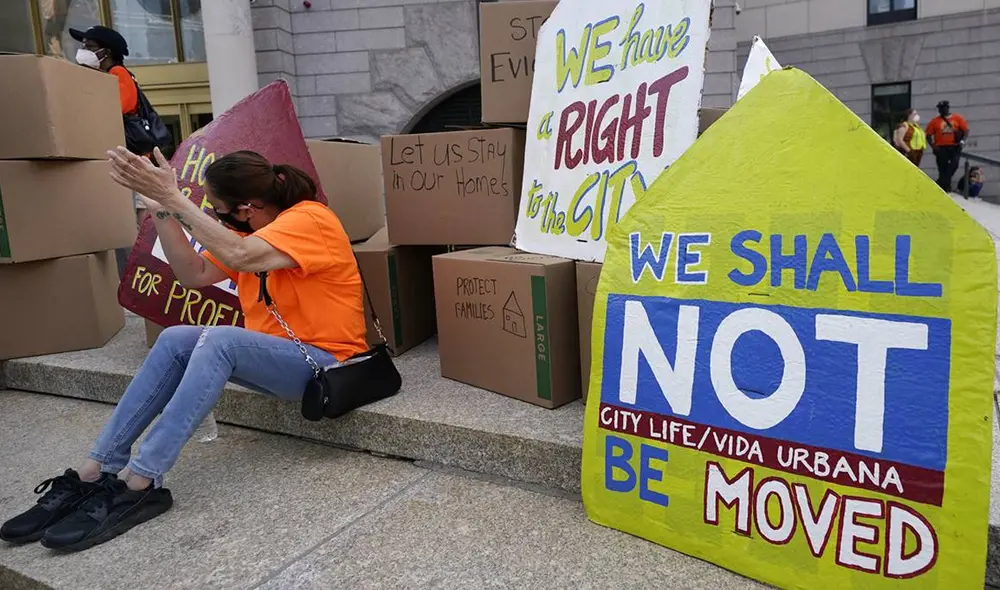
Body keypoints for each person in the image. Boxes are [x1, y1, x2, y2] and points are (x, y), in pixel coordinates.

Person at [0, 147, 368, 552]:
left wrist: (177, 199)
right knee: (176, 337)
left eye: (216, 207)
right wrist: (161, 207)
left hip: (327, 365)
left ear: (246, 208)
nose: (211, 213)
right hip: (280, 359)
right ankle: (96, 469)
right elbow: (193, 274)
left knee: (221, 339)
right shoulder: (250, 231)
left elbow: (240, 257)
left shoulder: (310, 219)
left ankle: (141, 481)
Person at [925, 100, 970, 192]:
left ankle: (941, 183)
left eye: (943, 108)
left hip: (955, 146)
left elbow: (965, 131)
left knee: (954, 165)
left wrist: (962, 141)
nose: (941, 110)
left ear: (947, 108)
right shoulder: (935, 121)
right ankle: (945, 187)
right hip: (941, 148)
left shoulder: (957, 118)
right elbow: (928, 135)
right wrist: (933, 146)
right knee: (942, 168)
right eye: (940, 108)